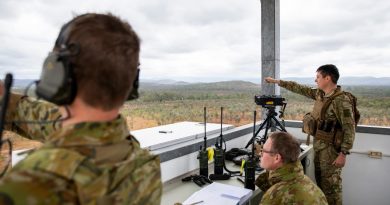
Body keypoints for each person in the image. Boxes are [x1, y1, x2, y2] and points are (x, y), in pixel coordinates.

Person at [0, 13, 162, 205]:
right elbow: (59, 125)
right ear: (131, 83)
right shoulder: (140, 162)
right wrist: (7, 101)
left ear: (57, 74)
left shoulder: (33, 180)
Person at [265, 64, 355, 205]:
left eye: (318, 77)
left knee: (332, 188)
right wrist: (277, 82)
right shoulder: (320, 94)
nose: (315, 80)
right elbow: (299, 88)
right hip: (319, 147)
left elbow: (349, 128)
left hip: (332, 151)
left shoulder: (341, 101)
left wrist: (343, 154)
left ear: (327, 78)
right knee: (321, 184)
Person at [255, 132, 328, 205]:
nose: (259, 154)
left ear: (277, 158)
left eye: (263, 151)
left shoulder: (275, 196)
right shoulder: (310, 185)